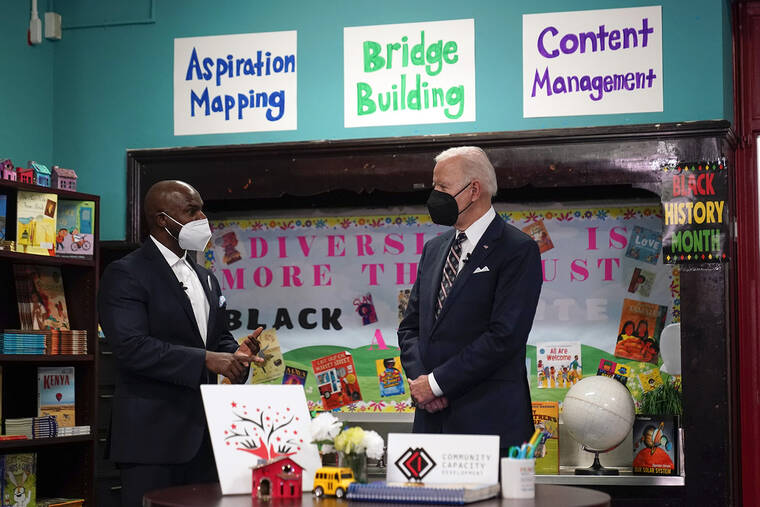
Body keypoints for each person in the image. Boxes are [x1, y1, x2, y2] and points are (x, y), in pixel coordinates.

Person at [98, 180, 264, 507]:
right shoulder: (126, 273)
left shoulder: (206, 277)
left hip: (206, 440)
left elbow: (218, 338)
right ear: (163, 219)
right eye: (192, 211)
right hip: (151, 442)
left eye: (202, 210)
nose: (203, 218)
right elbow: (131, 347)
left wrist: (236, 356)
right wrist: (205, 359)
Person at [398, 146, 543, 457]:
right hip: (431, 427)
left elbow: (504, 336)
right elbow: (410, 328)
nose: (434, 196)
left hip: (489, 427)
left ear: (474, 190)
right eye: (434, 186)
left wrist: (437, 384)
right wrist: (423, 385)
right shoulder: (434, 249)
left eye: (442, 187)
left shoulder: (518, 250)